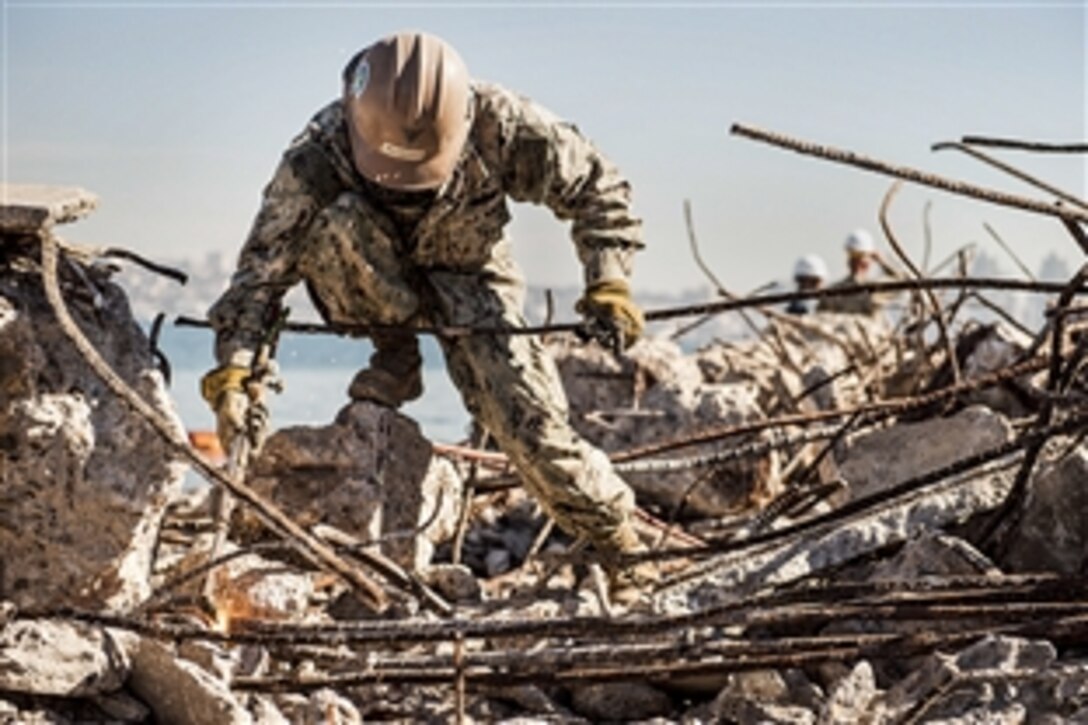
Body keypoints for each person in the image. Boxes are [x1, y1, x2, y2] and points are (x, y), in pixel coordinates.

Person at [200, 31, 650, 595]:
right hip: (366, 275)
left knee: (531, 425)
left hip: (472, 273)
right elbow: (259, 279)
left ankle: (621, 545)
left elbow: (598, 188)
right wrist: (237, 374)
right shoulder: (317, 154)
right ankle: (396, 353)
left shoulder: (505, 125)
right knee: (332, 223)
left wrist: (608, 280)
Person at [817, 229, 900, 315]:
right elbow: (901, 280)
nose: (856, 262)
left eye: (859, 258)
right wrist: (881, 261)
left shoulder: (876, 289)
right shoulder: (834, 291)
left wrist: (882, 261)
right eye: (854, 258)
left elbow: (902, 281)